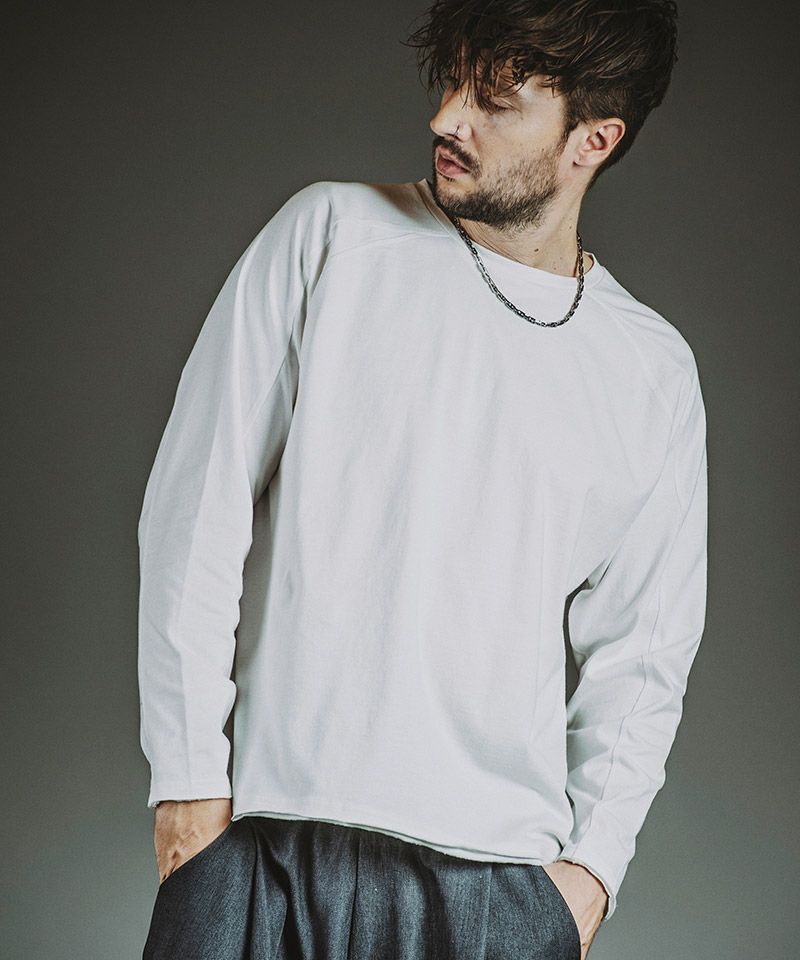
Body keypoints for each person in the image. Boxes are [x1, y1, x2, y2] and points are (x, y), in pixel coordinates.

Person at [137, 1, 707, 957]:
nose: (446, 117)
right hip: (268, 848)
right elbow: (195, 510)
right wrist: (188, 787)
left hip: (497, 888)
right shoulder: (330, 236)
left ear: (594, 140)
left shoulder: (650, 369)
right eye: (452, 82)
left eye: (494, 100)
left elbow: (646, 649)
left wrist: (591, 874)